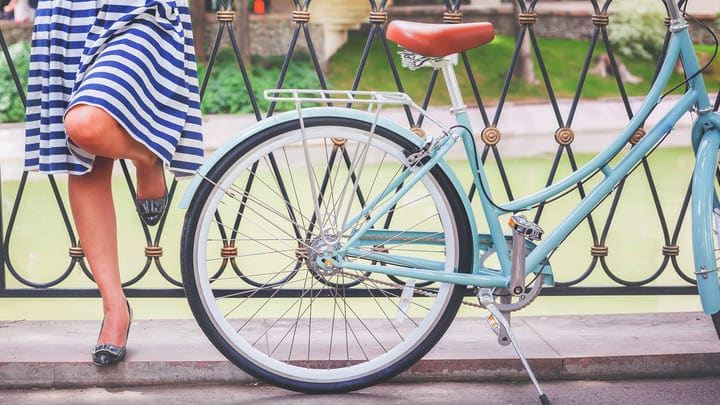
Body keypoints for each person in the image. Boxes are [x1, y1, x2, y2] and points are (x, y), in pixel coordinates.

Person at [24, 0, 204, 366]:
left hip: (140, 9)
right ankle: (114, 309)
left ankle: (148, 156)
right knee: (84, 161)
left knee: (84, 124)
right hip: (68, 14)